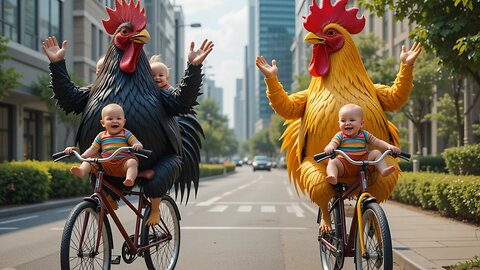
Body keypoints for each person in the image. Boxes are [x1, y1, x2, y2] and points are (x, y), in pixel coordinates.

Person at [64, 103, 143, 187]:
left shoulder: (126, 133)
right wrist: (84, 156)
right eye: (110, 119)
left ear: (124, 121)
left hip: (122, 164)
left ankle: (130, 179)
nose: (115, 121)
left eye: (119, 118)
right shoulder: (101, 136)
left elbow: (136, 143)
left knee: (132, 162)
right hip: (106, 164)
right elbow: (93, 148)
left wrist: (137, 145)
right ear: (103, 123)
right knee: (90, 160)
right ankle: (82, 170)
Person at [323, 104, 401, 185]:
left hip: (362, 164)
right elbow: (333, 143)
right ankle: (332, 176)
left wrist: (390, 146)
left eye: (352, 120)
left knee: (376, 153)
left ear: (361, 124)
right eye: (343, 121)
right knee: (332, 161)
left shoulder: (364, 134)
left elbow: (378, 142)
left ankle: (383, 170)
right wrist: (330, 147)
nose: (347, 123)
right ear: (339, 124)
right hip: (344, 164)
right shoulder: (340, 135)